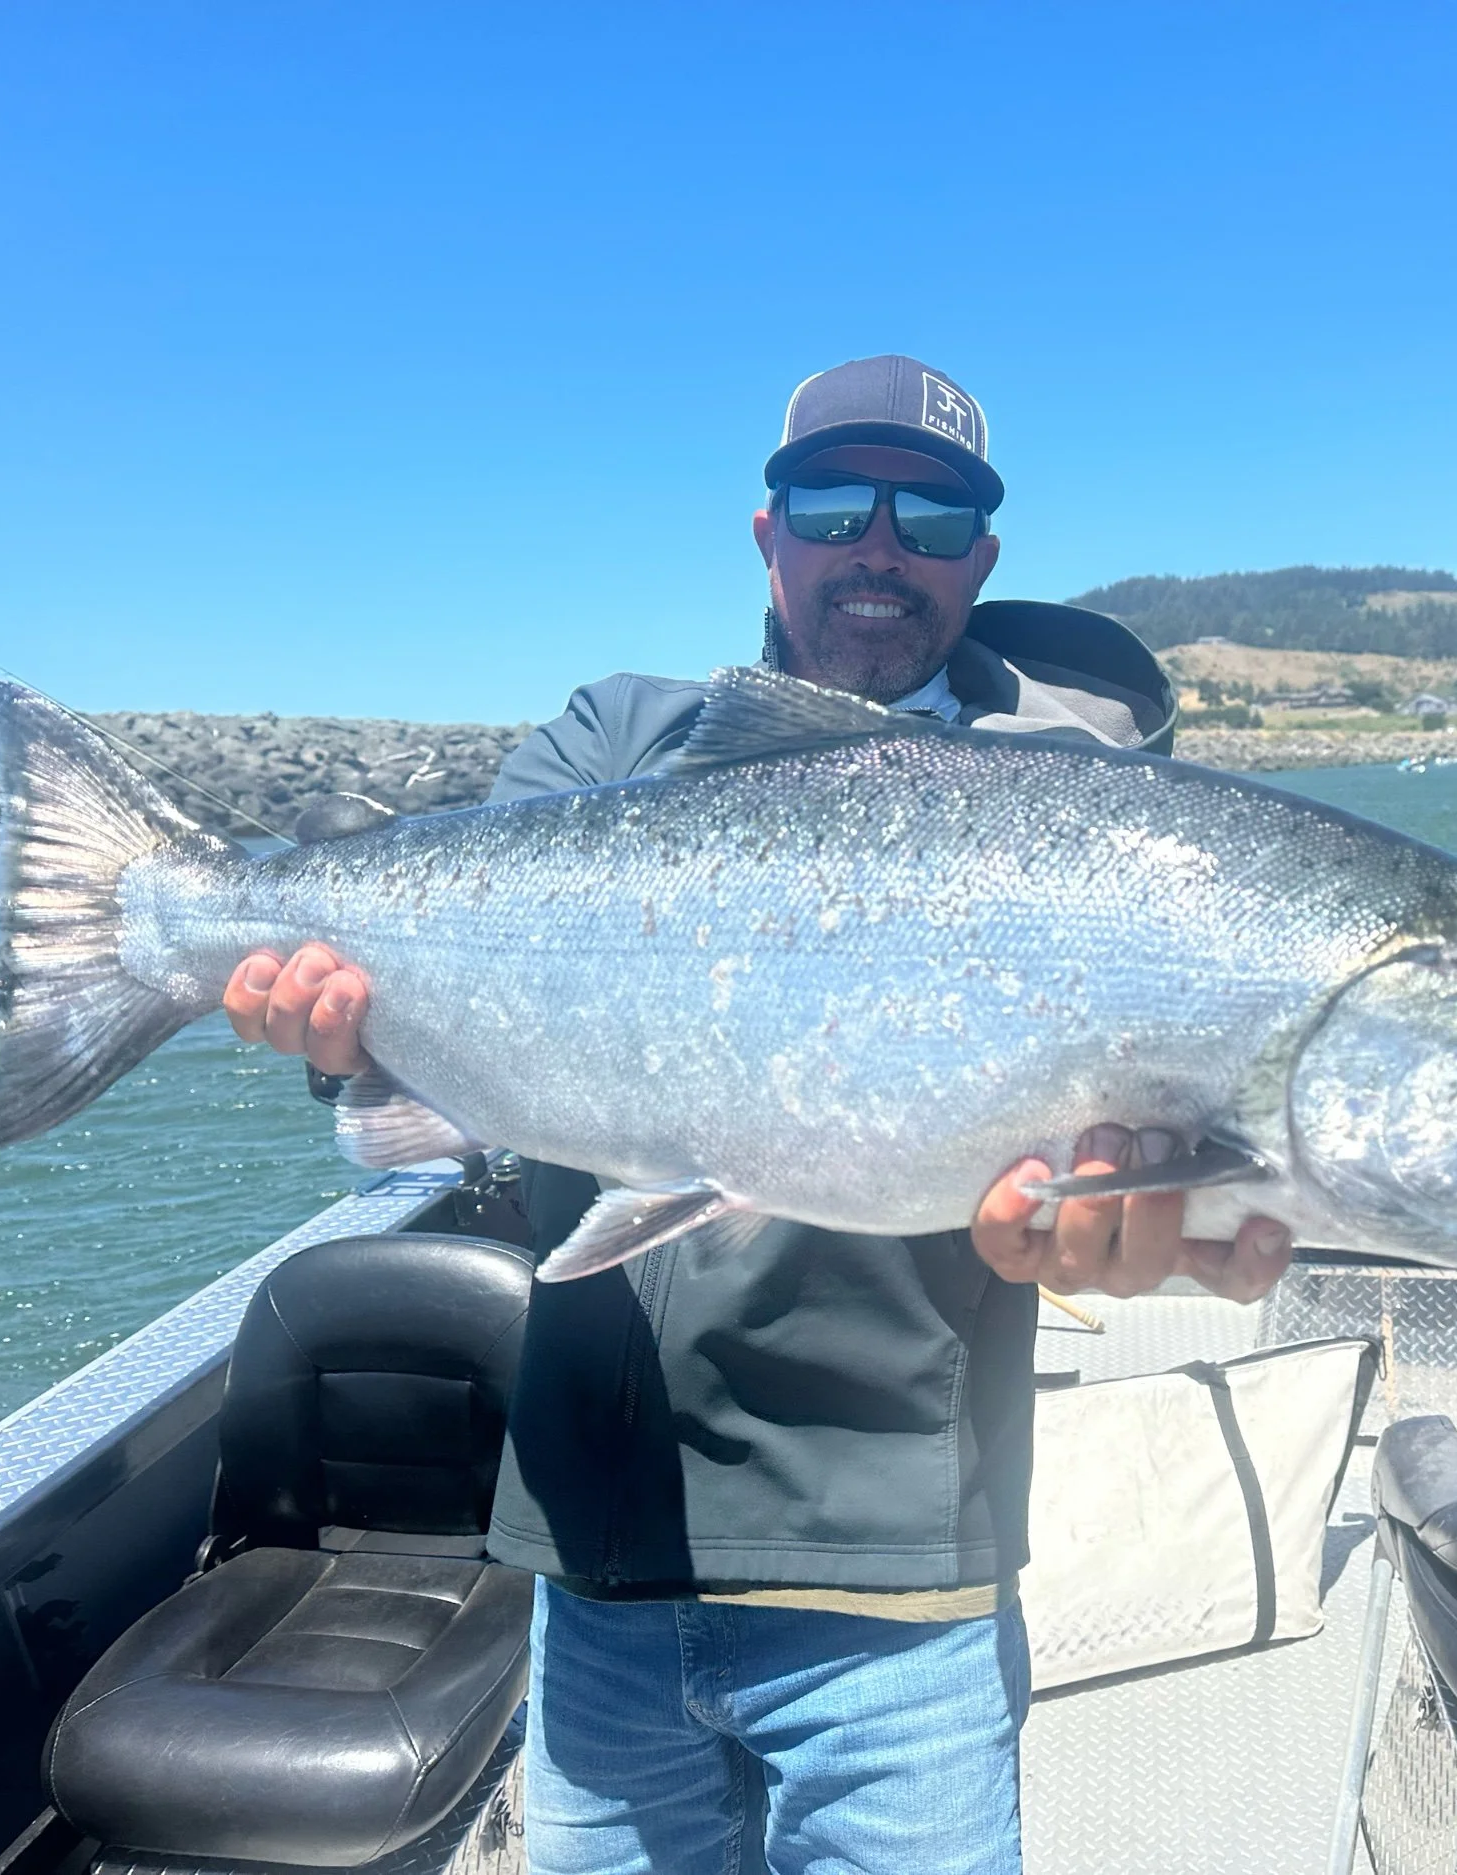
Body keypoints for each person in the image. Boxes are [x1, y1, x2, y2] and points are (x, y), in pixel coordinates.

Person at [224, 356, 1292, 1875]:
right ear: (767, 532)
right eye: (832, 501)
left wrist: (1135, 1235)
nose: (879, 542)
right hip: (599, 1565)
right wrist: (338, 1041)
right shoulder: (618, 737)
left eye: (931, 513)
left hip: (897, 1590)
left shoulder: (1084, 816)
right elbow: (435, 991)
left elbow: (1144, 1195)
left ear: (982, 561)